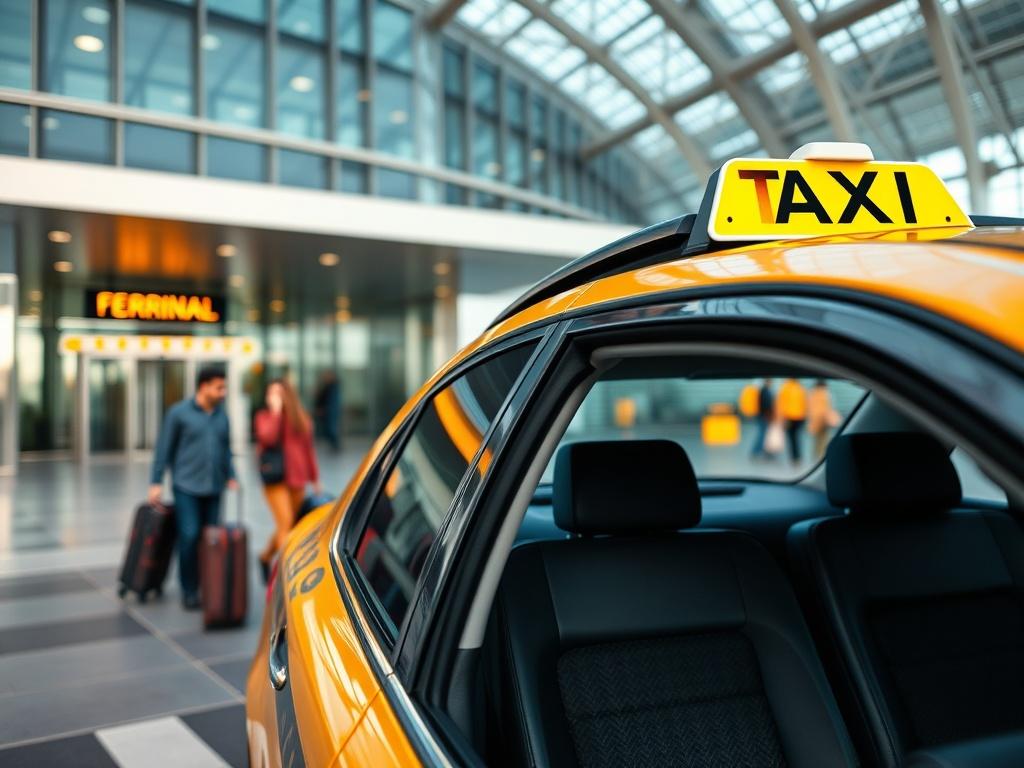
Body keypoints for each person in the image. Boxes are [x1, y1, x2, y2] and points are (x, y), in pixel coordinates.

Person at [149, 367, 237, 610]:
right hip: (186, 485)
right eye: (219, 387)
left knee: (210, 539)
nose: (223, 392)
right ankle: (189, 589)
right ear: (203, 386)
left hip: (214, 486)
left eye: (224, 387)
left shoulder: (222, 415)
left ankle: (208, 585)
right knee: (189, 535)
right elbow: (163, 449)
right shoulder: (179, 413)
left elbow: (225, 448)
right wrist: (155, 482)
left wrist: (231, 475)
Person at [255, 379, 321, 579]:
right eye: (270, 393)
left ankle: (265, 557)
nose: (272, 397)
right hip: (275, 479)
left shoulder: (301, 418)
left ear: (288, 396)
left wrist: (315, 478)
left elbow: (308, 450)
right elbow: (267, 438)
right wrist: (276, 413)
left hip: (297, 479)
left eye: (277, 393)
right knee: (285, 524)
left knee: (289, 524)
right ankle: (286, 575)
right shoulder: (264, 417)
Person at [778, 378, 808, 465]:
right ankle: (798, 457)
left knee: (791, 438)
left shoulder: (785, 387)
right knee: (797, 437)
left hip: (789, 417)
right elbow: (804, 403)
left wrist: (781, 418)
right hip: (799, 417)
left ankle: (794, 458)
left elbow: (781, 404)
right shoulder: (800, 388)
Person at [807, 379, 839, 459]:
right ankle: (822, 456)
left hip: (815, 420)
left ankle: (816, 456)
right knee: (824, 438)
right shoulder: (826, 393)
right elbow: (830, 407)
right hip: (824, 419)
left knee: (816, 440)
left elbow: (808, 407)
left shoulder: (812, 393)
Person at [313, 370, 341, 452]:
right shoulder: (327, 386)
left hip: (329, 412)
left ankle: (335, 445)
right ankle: (333, 445)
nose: (325, 378)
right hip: (327, 411)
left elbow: (330, 401)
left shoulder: (333, 387)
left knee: (331, 429)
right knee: (329, 429)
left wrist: (325, 409)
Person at [750, 379, 775, 459]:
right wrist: (768, 415)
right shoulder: (764, 391)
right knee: (762, 435)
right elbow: (765, 405)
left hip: (764, 416)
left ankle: (760, 451)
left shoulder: (765, 391)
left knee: (763, 434)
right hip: (764, 416)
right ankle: (756, 451)